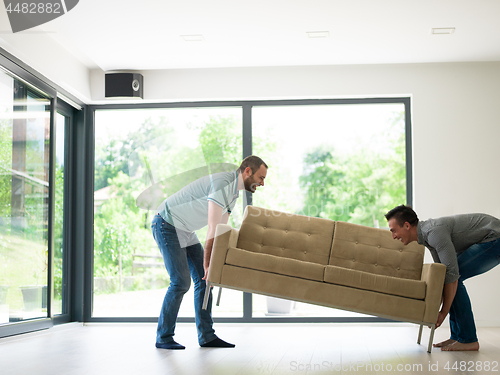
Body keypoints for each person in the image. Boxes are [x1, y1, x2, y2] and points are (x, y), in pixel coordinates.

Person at [151, 155, 268, 349]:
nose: (262, 183)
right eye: (261, 178)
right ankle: (163, 337)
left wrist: (215, 265)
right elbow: (213, 229)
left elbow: (222, 232)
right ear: (248, 171)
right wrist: (207, 264)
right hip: (167, 224)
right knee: (180, 282)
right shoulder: (222, 183)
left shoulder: (234, 194)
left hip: (185, 230)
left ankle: (207, 336)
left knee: (206, 281)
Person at [385, 205, 500, 351]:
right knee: (450, 277)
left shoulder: (434, 233)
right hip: (490, 237)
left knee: (456, 276)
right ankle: (458, 336)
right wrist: (433, 311)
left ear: (407, 225)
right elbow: (442, 276)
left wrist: (443, 313)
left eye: (393, 230)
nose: (393, 236)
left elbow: (452, 277)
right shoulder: (427, 237)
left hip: (495, 237)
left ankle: (468, 339)